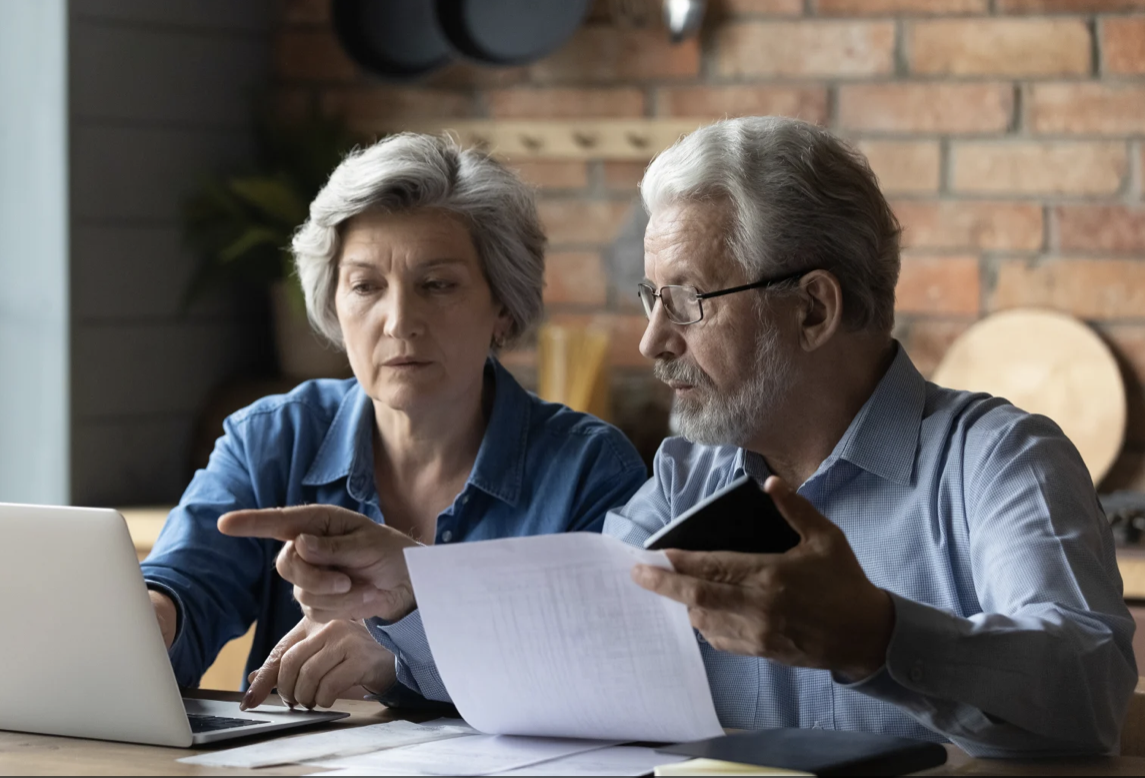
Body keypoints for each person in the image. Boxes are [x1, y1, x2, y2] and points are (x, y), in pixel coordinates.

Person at [235, 117, 1137, 757]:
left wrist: (876, 636)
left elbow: (1089, 693)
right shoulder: (687, 475)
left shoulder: (997, 459)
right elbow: (572, 641)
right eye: (649, 299)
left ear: (814, 308)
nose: (651, 342)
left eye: (688, 302)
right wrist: (413, 590)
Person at [141, 133, 647, 712]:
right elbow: (187, 585)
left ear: (503, 307)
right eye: (366, 286)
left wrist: (405, 658)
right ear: (334, 304)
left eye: (438, 285)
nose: (400, 321)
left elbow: (608, 673)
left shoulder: (589, 470)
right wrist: (151, 622)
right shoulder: (271, 439)